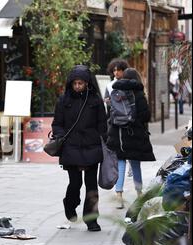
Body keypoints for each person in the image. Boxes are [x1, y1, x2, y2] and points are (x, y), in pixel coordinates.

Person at [52, 65, 107, 232]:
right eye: (75, 83)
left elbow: (102, 124)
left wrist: (103, 140)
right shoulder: (63, 100)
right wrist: (61, 136)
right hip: (71, 146)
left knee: (91, 186)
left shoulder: (95, 100)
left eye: (81, 83)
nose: (77, 86)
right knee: (75, 183)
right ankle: (70, 204)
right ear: (71, 83)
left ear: (87, 83)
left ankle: (91, 219)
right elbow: (57, 124)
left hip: (91, 146)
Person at [106, 68, 156, 209]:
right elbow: (146, 116)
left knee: (120, 163)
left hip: (119, 134)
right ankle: (139, 194)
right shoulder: (138, 93)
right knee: (135, 164)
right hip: (135, 133)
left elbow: (111, 114)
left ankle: (119, 195)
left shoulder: (116, 92)